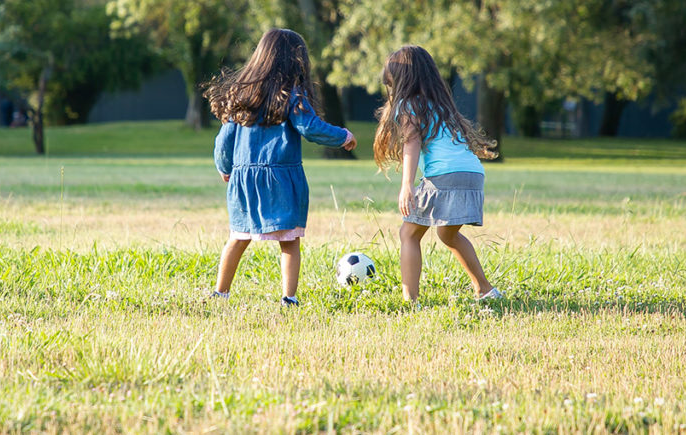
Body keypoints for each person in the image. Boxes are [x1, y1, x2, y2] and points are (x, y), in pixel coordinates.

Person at [204, 29, 357, 306]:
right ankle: (289, 298)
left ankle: (220, 293)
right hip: (281, 180)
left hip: (244, 179)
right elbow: (309, 127)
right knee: (289, 241)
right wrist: (343, 136)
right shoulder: (292, 95)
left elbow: (224, 139)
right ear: (295, 61)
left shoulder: (241, 94)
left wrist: (224, 167)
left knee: (238, 237)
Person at [372, 45, 502, 304]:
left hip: (444, 176)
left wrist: (407, 185)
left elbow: (412, 143)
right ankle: (485, 290)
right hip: (472, 173)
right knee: (448, 234)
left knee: (409, 234)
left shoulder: (409, 105)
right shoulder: (440, 105)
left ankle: (410, 300)